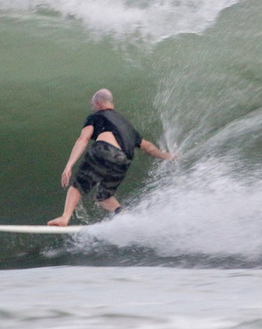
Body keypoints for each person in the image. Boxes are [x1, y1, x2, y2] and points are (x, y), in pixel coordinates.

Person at [47, 88, 174, 226]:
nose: (92, 107)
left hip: (105, 150)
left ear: (99, 103)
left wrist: (69, 165)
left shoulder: (96, 116)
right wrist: (167, 156)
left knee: (77, 187)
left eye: (92, 104)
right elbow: (147, 146)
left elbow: (83, 139)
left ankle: (65, 218)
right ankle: (126, 218)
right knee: (104, 197)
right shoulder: (126, 125)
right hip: (123, 160)